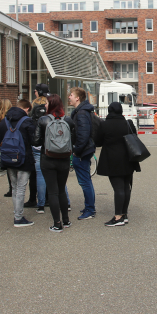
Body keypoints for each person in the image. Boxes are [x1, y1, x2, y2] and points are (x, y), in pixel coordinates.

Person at [94, 102, 140, 226]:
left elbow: (97, 142)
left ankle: (118, 217)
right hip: (129, 159)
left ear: (109, 111)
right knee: (126, 187)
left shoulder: (104, 125)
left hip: (112, 160)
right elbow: (134, 136)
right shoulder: (128, 123)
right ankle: (124, 214)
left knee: (118, 188)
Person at [33, 94, 75, 232]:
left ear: (50, 105)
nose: (44, 105)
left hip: (48, 159)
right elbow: (73, 139)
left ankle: (57, 223)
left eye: (46, 103)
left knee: (52, 191)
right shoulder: (68, 120)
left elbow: (36, 141)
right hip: (64, 159)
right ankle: (66, 220)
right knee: (62, 189)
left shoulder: (43, 120)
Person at [0, 98, 36, 227]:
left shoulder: (4, 121)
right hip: (24, 159)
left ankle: (16, 213)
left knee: (14, 187)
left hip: (8, 157)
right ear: (26, 109)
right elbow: (35, 141)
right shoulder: (27, 121)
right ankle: (18, 218)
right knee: (21, 188)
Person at [68, 87, 96, 220]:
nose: (69, 97)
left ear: (77, 98)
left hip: (82, 152)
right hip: (84, 151)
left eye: (71, 95)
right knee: (86, 181)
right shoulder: (82, 112)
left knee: (85, 181)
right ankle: (89, 207)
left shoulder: (81, 113)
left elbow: (83, 135)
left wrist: (77, 151)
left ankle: (90, 209)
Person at [0, 99, 14, 197]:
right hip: (13, 143)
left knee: (8, 166)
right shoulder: (13, 116)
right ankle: (15, 187)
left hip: (4, 144)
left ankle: (11, 188)